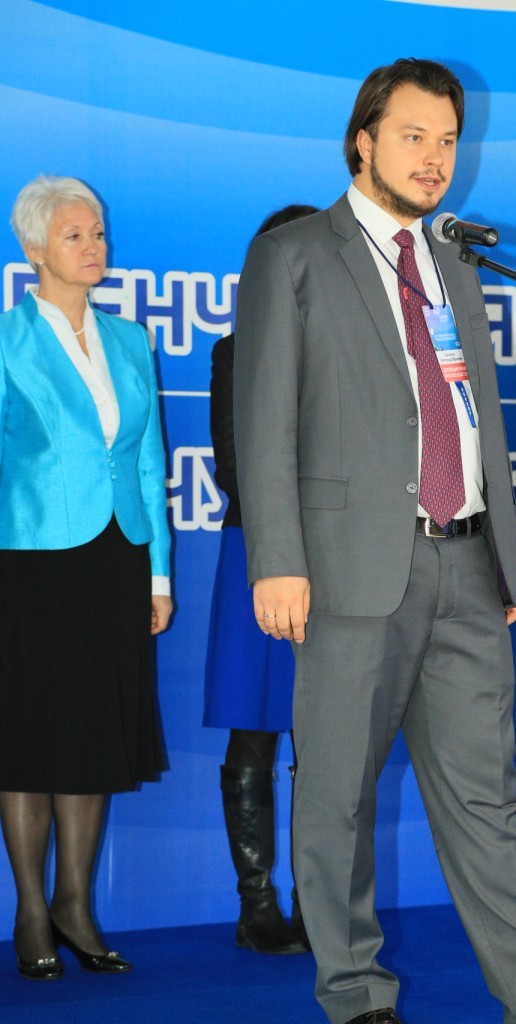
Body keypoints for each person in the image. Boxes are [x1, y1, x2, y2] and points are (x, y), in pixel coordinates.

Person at [234, 59, 516, 1024]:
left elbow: (477, 415)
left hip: (466, 563)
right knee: (335, 798)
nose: (434, 158)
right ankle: (356, 995)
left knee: (487, 802)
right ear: (364, 141)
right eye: (413, 136)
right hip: (347, 570)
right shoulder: (296, 254)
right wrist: (278, 560)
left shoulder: (455, 261)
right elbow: (265, 419)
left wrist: (504, 553)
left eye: (448, 140)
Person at [0, 175, 172, 979]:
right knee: (29, 733)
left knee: (93, 732)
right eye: (75, 235)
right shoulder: (7, 340)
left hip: (115, 557)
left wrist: (158, 576)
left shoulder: (130, 340)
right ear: (34, 248)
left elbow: (149, 463)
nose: (94, 246)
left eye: (98, 232)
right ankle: (31, 911)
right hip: (29, 562)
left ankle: (75, 903)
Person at [204, 203, 318, 956]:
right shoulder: (235, 352)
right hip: (261, 553)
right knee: (253, 728)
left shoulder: (360, 349)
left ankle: (319, 904)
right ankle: (256, 905)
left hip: (346, 563)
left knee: (327, 737)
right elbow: (234, 467)